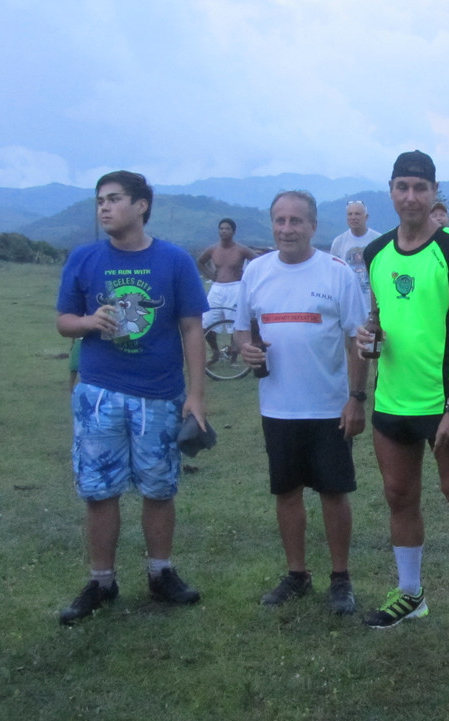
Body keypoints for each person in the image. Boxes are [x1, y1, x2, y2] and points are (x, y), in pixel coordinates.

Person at [55, 171, 209, 625]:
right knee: (99, 491)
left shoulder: (174, 260)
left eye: (114, 199)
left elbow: (192, 328)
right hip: (99, 394)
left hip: (159, 396)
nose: (104, 207)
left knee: (159, 489)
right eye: (100, 200)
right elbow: (64, 321)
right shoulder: (84, 258)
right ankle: (101, 581)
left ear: (141, 206)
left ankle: (161, 573)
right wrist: (88, 322)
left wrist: (196, 395)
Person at [356, 150, 449, 639]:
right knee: (399, 497)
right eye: (402, 187)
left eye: (420, 187)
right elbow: (378, 319)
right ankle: (410, 594)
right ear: (390, 191)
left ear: (434, 192)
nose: (410, 196)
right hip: (391, 400)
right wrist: (369, 338)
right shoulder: (376, 252)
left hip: (441, 404)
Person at [235, 191, 368, 614]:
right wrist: (246, 348)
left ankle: (341, 578)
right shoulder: (256, 271)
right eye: (280, 220)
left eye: (296, 221)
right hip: (278, 407)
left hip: (329, 407)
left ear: (313, 226)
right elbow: (241, 329)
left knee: (334, 492)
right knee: (287, 492)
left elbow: (357, 340)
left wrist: (356, 399)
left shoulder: (337, 273)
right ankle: (297, 575)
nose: (287, 229)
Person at [197, 218, 258, 360]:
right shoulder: (213, 249)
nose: (224, 231)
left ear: (233, 232)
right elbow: (200, 261)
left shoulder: (241, 249)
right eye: (221, 228)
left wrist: (248, 277)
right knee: (207, 322)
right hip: (217, 288)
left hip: (235, 288)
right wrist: (209, 274)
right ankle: (215, 352)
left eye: (227, 229)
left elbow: (258, 261)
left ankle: (233, 356)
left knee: (235, 324)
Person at [328, 200, 381, 305]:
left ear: (366, 217)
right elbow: (332, 274)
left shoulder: (378, 240)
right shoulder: (338, 242)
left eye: (357, 214)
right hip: (347, 304)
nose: (353, 217)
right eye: (350, 214)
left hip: (373, 304)